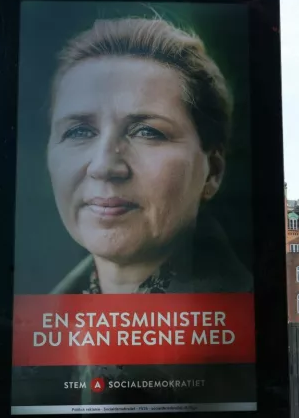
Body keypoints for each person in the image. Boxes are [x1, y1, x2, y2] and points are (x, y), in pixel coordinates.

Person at [45, 16, 251, 295]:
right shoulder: (34, 326)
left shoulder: (245, 319)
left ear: (212, 171)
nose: (104, 166)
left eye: (147, 132)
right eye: (79, 132)